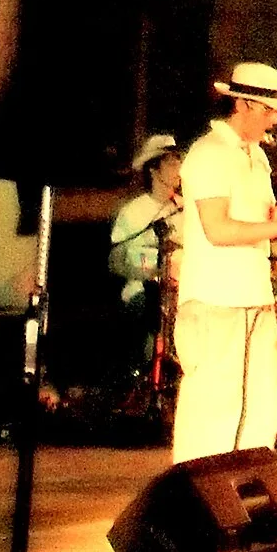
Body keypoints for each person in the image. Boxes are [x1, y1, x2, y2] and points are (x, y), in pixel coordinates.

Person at [170, 63, 277, 465]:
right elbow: (216, 228)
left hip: (253, 293)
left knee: (258, 405)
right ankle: (196, 498)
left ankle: (244, 491)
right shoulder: (209, 153)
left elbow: (262, 230)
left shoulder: (259, 159)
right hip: (215, 296)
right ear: (244, 104)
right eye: (268, 109)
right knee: (213, 407)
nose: (275, 117)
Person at [109, 133, 182, 379]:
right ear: (153, 169)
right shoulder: (133, 212)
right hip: (143, 294)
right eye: (171, 162)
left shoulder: (187, 209)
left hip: (182, 294)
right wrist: (152, 270)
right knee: (148, 308)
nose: (178, 169)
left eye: (179, 161)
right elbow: (116, 260)